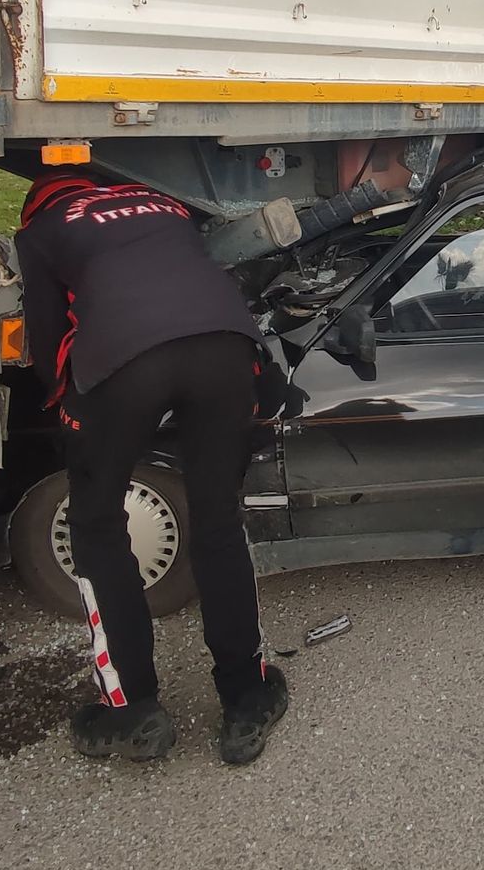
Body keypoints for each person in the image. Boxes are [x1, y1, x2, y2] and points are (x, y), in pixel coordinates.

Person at [17, 167, 289, 766]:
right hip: (223, 347)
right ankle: (247, 695)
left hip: (122, 361)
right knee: (218, 520)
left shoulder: (40, 228)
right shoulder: (166, 205)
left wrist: (71, 413)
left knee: (95, 527)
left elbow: (44, 334)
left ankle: (132, 709)